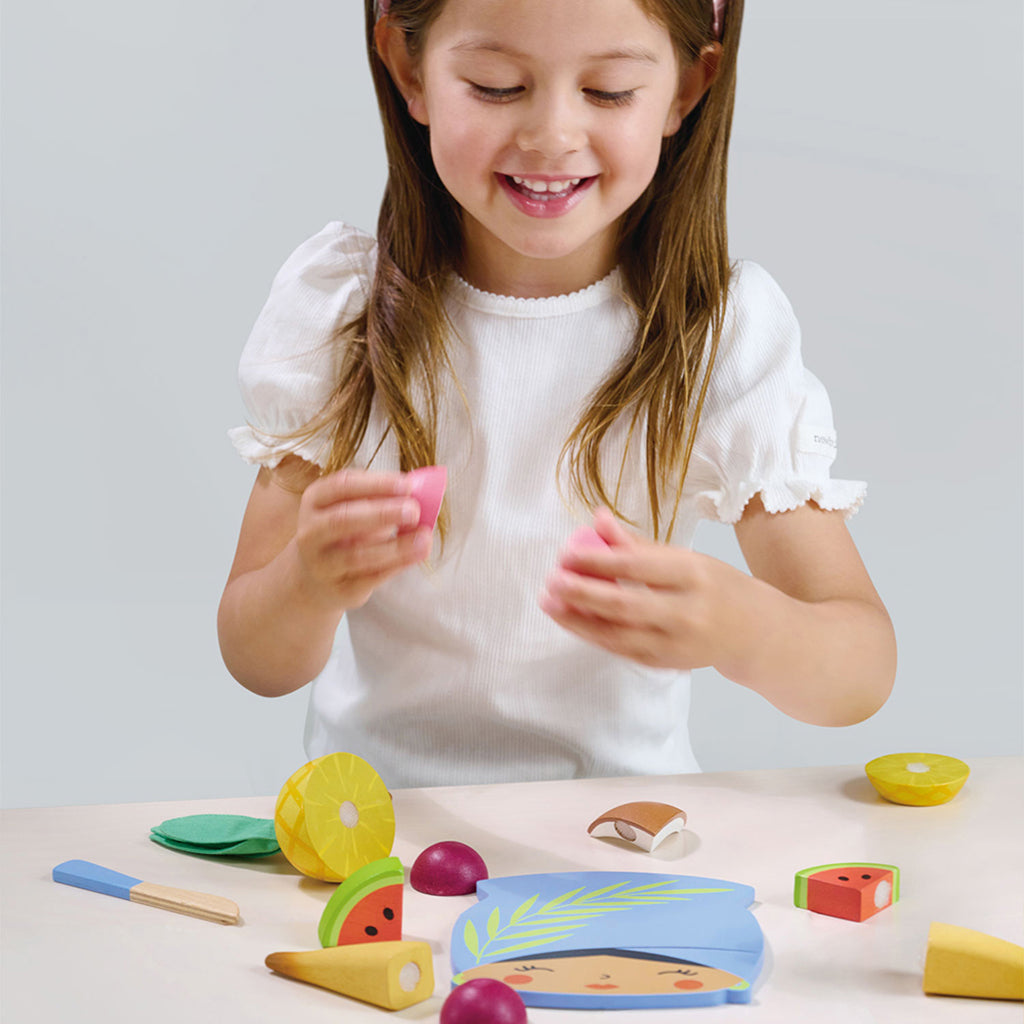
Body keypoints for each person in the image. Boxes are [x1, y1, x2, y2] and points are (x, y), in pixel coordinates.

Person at [218, 0, 896, 788]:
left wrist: (743, 627)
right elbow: (255, 660)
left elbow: (862, 672)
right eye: (496, 85)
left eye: (608, 91)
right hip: (379, 827)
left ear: (685, 88)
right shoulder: (342, 311)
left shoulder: (714, 334)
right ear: (409, 70)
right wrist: (305, 584)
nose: (552, 135)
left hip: (620, 828)